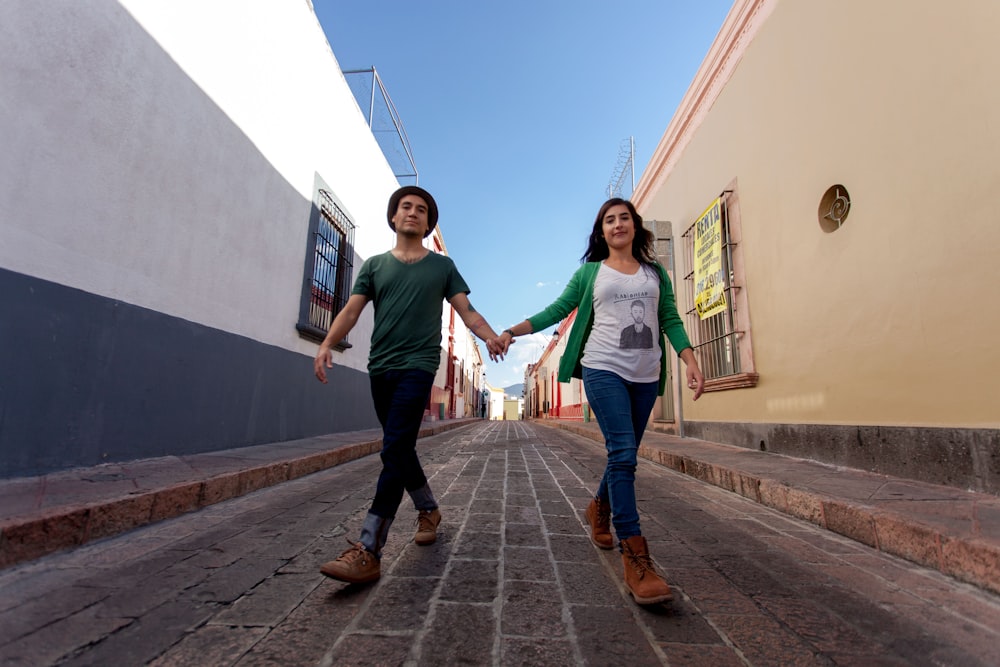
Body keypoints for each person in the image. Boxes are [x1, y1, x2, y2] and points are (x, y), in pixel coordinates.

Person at [496, 198, 704, 605]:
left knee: (622, 456)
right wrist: (510, 332)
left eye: (624, 217)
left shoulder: (654, 272)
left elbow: (671, 319)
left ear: (634, 225)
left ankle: (598, 509)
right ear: (602, 231)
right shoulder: (591, 272)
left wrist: (690, 359)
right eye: (609, 220)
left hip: (646, 376)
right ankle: (635, 554)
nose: (617, 224)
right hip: (603, 368)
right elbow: (556, 309)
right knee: (624, 454)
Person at [314, 185, 505, 584]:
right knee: (399, 449)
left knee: (395, 447)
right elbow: (351, 309)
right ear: (394, 217)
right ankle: (429, 509)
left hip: (418, 366)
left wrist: (489, 336)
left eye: (421, 210)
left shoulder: (442, 267)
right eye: (407, 207)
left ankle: (369, 548)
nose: (413, 213)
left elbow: (466, 310)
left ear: (428, 222)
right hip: (380, 366)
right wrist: (327, 343)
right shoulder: (375, 266)